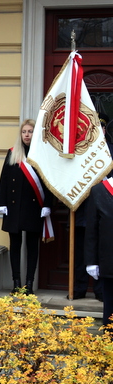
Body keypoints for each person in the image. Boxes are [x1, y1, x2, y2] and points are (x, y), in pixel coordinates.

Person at [0, 119, 53, 295]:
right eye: (24, 132)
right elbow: (4, 180)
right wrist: (2, 203)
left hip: (34, 207)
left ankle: (29, 283)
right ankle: (16, 283)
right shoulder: (12, 153)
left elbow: (49, 182)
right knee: (15, 245)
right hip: (14, 208)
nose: (26, 135)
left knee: (31, 246)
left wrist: (48, 205)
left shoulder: (41, 154)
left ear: (34, 134)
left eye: (30, 131)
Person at [73, 113, 110, 300]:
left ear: (104, 131)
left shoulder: (112, 151)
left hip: (104, 214)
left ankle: (101, 291)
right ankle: (78, 289)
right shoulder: (80, 152)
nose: (99, 132)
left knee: (101, 254)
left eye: (101, 128)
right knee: (80, 253)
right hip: (82, 210)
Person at [85, 174, 113, 326]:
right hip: (109, 262)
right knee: (110, 308)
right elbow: (92, 230)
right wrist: (91, 261)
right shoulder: (99, 191)